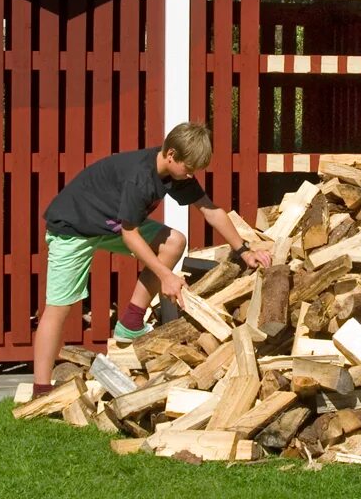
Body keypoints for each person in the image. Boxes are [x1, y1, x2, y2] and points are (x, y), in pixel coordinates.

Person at [32, 121, 272, 397]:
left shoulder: (174, 173)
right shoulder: (141, 178)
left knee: (173, 241)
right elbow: (130, 234)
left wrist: (244, 250)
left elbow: (209, 209)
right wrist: (166, 276)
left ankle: (131, 322)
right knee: (59, 306)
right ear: (171, 154)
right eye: (189, 168)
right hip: (74, 228)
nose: (191, 174)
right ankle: (41, 389)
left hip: (110, 224)